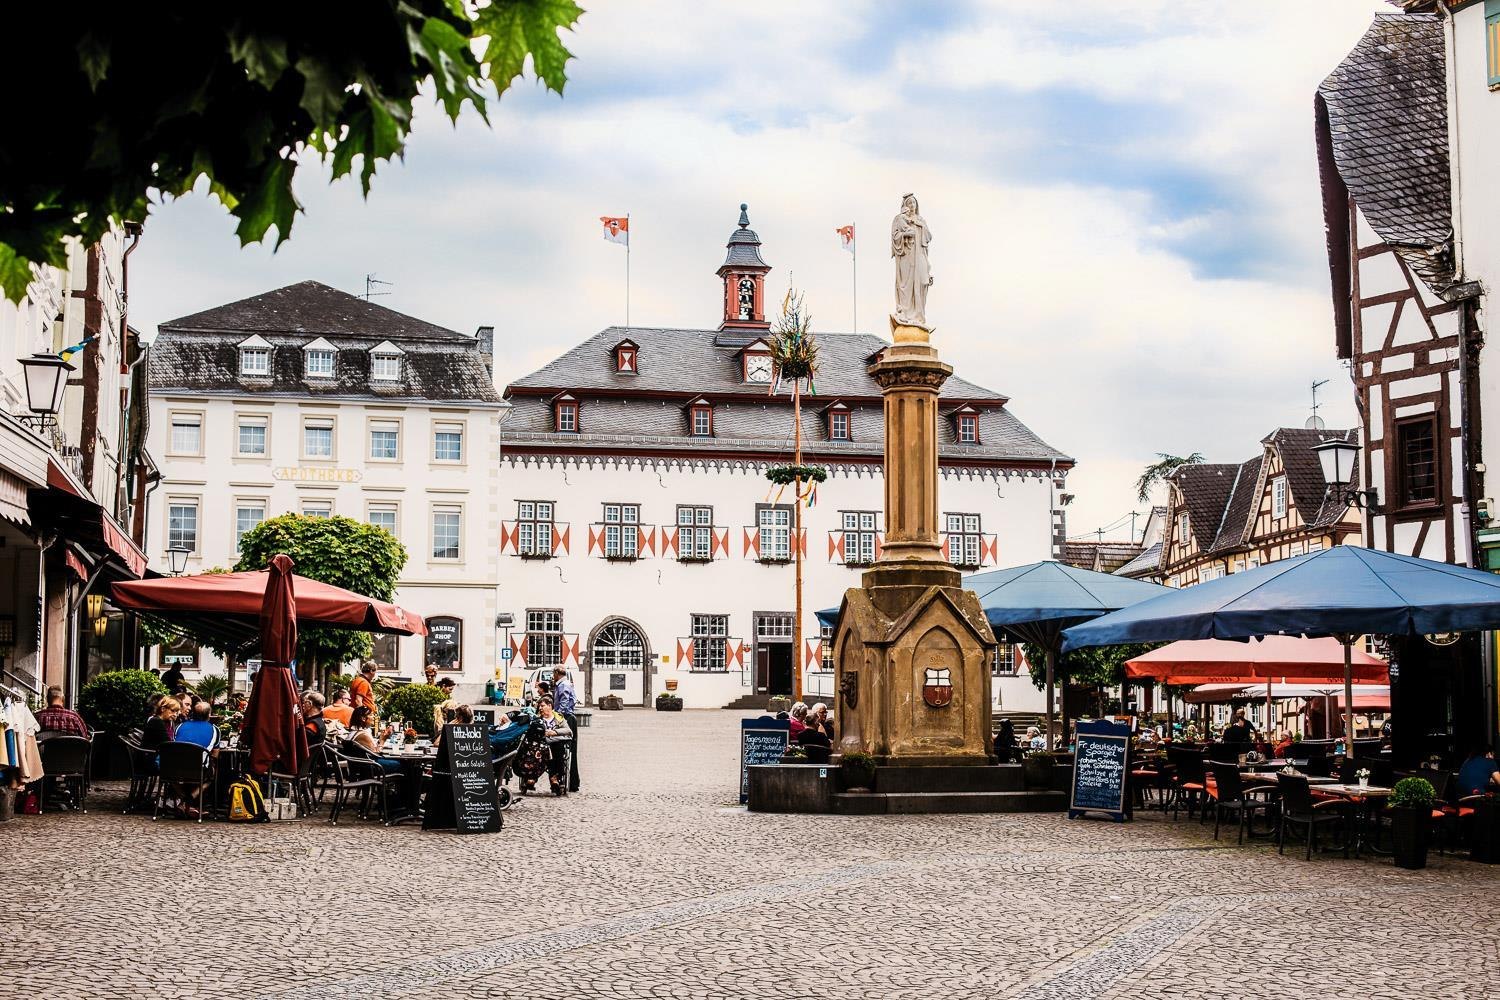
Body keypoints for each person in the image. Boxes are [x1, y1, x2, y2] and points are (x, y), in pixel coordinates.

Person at [346, 705, 401, 774]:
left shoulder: (354, 732)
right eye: (371, 715)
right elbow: (376, 754)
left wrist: (381, 738)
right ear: (363, 718)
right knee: (403, 764)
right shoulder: (362, 735)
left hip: (363, 765)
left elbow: (372, 751)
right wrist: (383, 740)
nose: (373, 717)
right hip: (371, 767)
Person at [552, 666, 580, 793]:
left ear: (557, 673)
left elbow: (563, 702)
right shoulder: (566, 683)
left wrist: (557, 717)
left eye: (553, 673)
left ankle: (560, 774)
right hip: (568, 716)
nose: (553, 676)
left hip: (565, 718)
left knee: (561, 745)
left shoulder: (563, 685)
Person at [536, 696, 572, 796]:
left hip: (556, 744)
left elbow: (568, 730)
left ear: (550, 706)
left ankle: (555, 777)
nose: (540, 708)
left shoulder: (559, 718)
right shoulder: (537, 719)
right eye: (539, 706)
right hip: (542, 745)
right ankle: (548, 778)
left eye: (542, 706)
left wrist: (554, 732)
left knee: (558, 749)